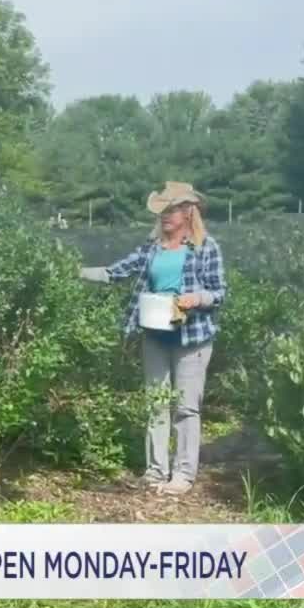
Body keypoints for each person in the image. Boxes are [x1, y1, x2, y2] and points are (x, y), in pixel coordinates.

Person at [79, 182, 227, 495]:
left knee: (186, 407)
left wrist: (196, 298)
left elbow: (219, 292)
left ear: (189, 212)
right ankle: (156, 470)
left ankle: (183, 475)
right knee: (157, 404)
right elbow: (114, 272)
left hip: (192, 337)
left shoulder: (205, 247)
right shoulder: (151, 248)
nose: (165, 216)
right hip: (156, 333)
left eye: (171, 210)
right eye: (162, 211)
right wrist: (74, 271)